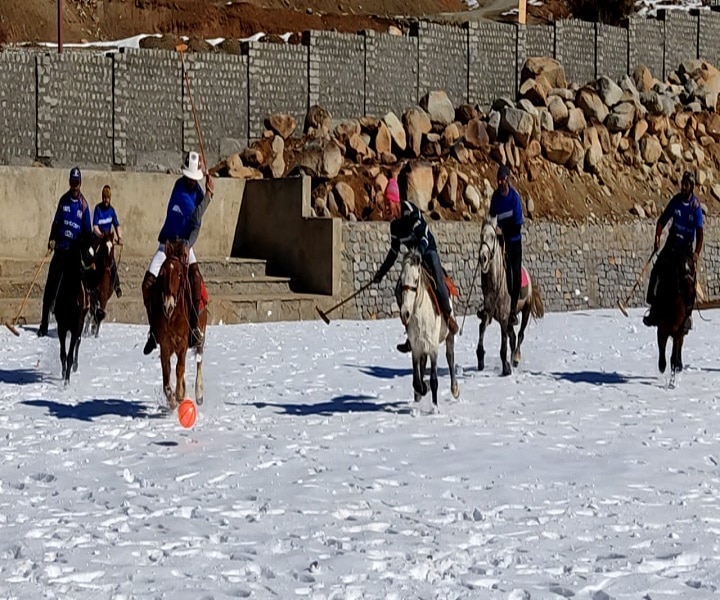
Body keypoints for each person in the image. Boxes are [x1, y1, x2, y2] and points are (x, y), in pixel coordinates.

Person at [372, 175, 459, 354]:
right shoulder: (394, 226)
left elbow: (425, 237)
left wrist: (419, 252)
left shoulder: (410, 211)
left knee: (437, 277)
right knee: (400, 289)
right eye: (385, 203)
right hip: (412, 258)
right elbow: (394, 252)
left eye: (388, 203)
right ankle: (410, 332)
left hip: (427, 251)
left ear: (396, 201)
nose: (386, 207)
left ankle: (448, 317)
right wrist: (381, 273)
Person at [141, 151, 213, 355]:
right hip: (168, 244)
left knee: (196, 278)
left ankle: (194, 328)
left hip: (184, 246)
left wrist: (189, 246)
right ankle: (154, 330)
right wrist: (209, 197)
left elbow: (196, 227)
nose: (191, 181)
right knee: (147, 284)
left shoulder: (198, 192)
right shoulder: (179, 189)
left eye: (194, 178)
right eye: (189, 177)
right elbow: (196, 215)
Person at [643, 170, 703, 329]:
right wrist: (657, 237)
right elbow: (662, 221)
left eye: (686, 185)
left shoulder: (695, 206)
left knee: (689, 280)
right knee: (657, 270)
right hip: (672, 242)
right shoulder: (676, 201)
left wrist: (696, 253)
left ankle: (688, 317)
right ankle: (653, 309)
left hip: (686, 248)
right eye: (682, 184)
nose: (683, 187)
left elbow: (700, 233)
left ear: (692, 187)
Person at [38, 167, 93, 337]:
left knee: (85, 279)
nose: (75, 186)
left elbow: (88, 233)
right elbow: (56, 223)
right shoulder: (63, 201)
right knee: (51, 284)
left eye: (77, 183)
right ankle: (44, 323)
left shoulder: (84, 206)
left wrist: (83, 247)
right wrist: (52, 239)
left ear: (80, 183)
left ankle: (87, 311)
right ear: (70, 183)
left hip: (74, 251)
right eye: (72, 182)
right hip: (61, 249)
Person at [489, 164, 524, 326]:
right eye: (498, 180)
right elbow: (491, 216)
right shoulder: (495, 198)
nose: (500, 183)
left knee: (514, 272)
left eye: (503, 179)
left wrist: (503, 230)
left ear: (508, 179)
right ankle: (487, 304)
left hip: (514, 241)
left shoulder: (514, 198)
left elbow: (518, 224)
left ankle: (512, 311)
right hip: (499, 241)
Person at [92, 184, 123, 298]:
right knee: (91, 254)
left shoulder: (112, 211)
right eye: (104, 197)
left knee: (111, 261)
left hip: (108, 239)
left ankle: (117, 285)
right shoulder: (98, 209)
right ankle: (89, 282)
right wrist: (100, 234)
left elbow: (117, 224)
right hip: (99, 238)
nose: (106, 200)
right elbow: (95, 226)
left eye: (108, 198)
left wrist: (119, 237)